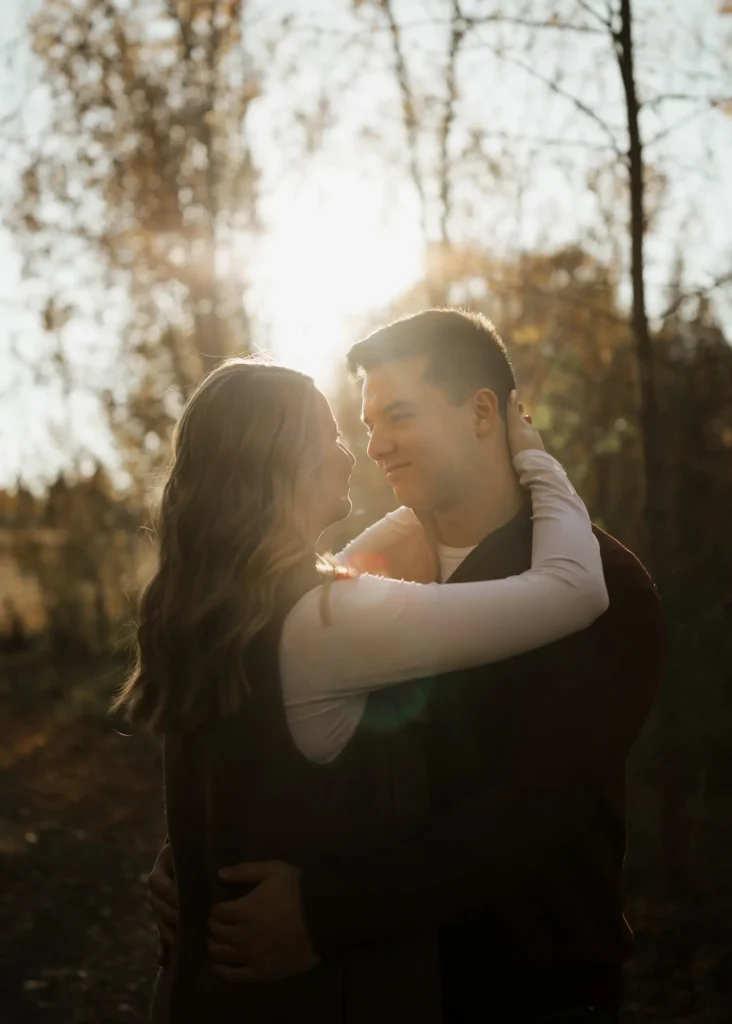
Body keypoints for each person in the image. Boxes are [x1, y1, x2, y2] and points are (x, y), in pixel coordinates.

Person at [148, 309, 664, 1023]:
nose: (373, 446)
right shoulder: (361, 589)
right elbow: (261, 732)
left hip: (528, 989)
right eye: (359, 426)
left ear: (484, 413)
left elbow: (528, 811)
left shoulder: (610, 586)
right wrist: (201, 851)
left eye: (398, 415)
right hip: (378, 986)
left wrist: (324, 912)